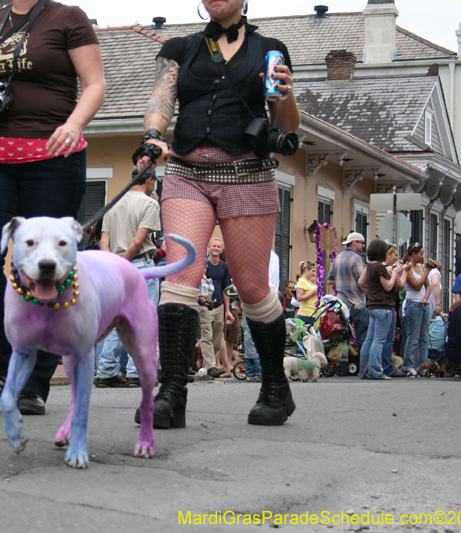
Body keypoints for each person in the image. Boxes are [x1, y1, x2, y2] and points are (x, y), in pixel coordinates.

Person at [135, 0, 300, 428]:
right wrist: (153, 135)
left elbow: (287, 124)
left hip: (247, 172)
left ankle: (275, 387)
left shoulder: (271, 48)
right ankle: (171, 392)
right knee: (180, 278)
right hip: (187, 172)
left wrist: (287, 93)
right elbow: (162, 96)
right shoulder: (179, 48)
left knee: (250, 287)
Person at [0, 0, 105, 416]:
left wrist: (74, 123)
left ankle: (36, 383)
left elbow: (95, 83)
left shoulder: (68, 17)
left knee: (50, 264)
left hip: (53, 155)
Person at [95, 169, 161, 388]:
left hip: (114, 266)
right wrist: (124, 265)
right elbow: (137, 241)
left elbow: (104, 240)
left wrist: (112, 266)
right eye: (154, 182)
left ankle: (106, 371)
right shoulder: (150, 204)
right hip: (139, 266)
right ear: (149, 180)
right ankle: (136, 372)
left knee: (114, 320)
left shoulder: (113, 203)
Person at [357, 239, 408, 380]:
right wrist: (396, 272)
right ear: (382, 252)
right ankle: (375, 371)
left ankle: (365, 370)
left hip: (372, 306)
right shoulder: (379, 267)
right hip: (383, 306)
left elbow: (361, 282)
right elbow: (388, 286)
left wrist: (371, 294)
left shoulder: (370, 266)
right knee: (379, 340)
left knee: (369, 340)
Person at [240, 249, 280, 382]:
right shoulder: (273, 256)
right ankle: (260, 370)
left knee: (251, 335)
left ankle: (257, 371)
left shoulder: (260, 255)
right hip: (268, 296)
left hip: (258, 297)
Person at [197, 238, 232, 379]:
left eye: (219, 246)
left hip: (219, 306)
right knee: (206, 336)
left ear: (222, 250)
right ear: (209, 248)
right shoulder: (204, 265)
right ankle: (211, 367)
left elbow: (226, 289)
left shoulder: (224, 267)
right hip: (205, 305)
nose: (216, 248)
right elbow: (197, 283)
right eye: (214, 246)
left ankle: (207, 367)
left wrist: (228, 310)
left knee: (218, 340)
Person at [327, 232, 368, 346]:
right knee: (362, 337)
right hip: (357, 303)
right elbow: (362, 282)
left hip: (341, 304)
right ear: (355, 243)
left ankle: (344, 362)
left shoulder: (338, 258)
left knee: (343, 337)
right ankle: (361, 362)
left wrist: (342, 279)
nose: (363, 246)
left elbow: (330, 280)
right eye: (362, 243)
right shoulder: (356, 258)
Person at [401, 244, 433, 376]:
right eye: (421, 254)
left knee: (424, 338)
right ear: (413, 254)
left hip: (424, 305)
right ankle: (408, 365)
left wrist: (426, 298)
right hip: (413, 305)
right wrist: (427, 271)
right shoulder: (408, 268)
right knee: (413, 338)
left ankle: (422, 366)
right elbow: (417, 286)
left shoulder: (420, 267)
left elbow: (428, 286)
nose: (423, 256)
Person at [295, 261, 318, 326]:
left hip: (312, 313)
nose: (314, 274)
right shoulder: (302, 281)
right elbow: (299, 297)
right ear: (306, 270)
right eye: (313, 271)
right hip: (306, 314)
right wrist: (312, 293)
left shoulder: (308, 281)